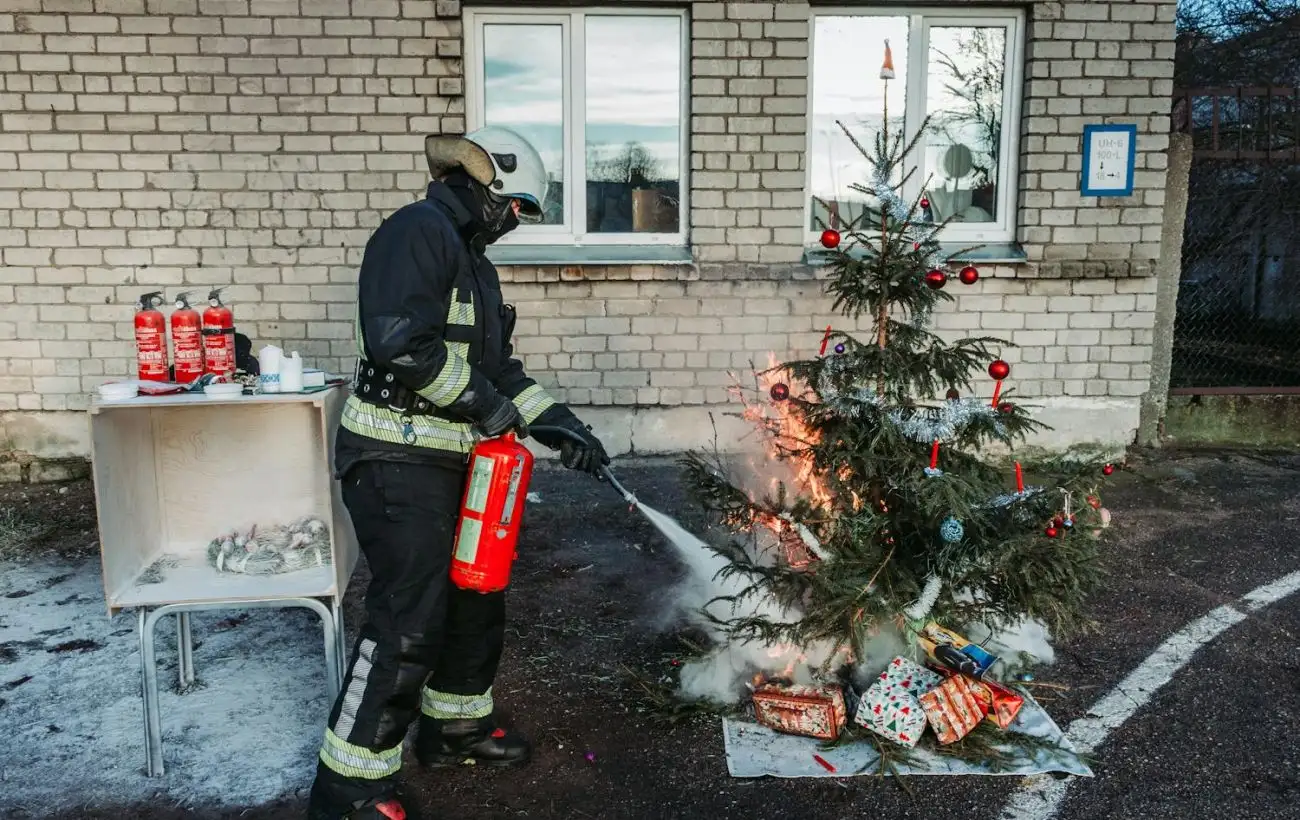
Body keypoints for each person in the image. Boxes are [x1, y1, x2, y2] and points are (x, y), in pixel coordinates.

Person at [307, 125, 610, 820]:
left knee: (476, 599)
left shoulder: (473, 260)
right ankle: (347, 787)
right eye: (518, 207)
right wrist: (492, 407)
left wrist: (556, 420)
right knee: (407, 619)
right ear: (482, 184)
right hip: (393, 459)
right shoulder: (417, 233)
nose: (516, 224)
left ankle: (455, 730)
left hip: (455, 462)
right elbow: (397, 343)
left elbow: (497, 366)